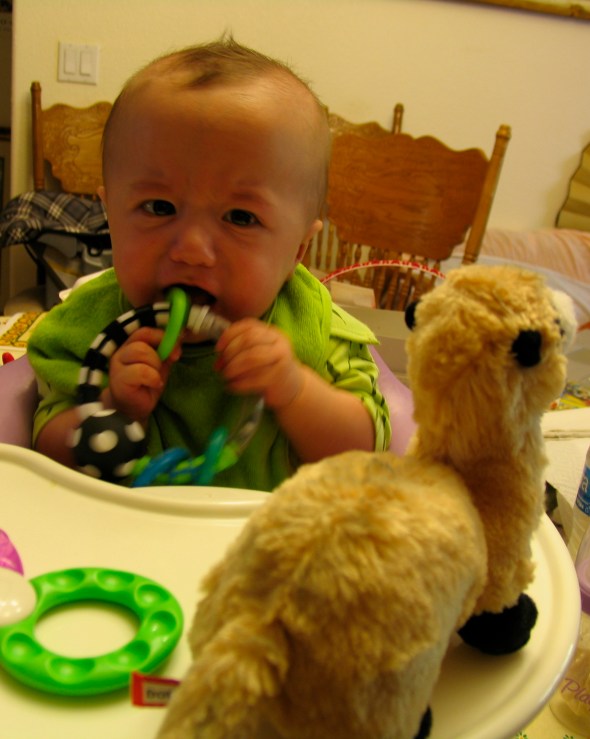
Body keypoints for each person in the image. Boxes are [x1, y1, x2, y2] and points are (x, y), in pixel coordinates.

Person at [27, 37, 391, 491]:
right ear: (110, 217)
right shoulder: (85, 328)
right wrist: (114, 410)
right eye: (159, 207)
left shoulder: (317, 329)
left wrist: (295, 391)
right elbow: (44, 455)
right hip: (121, 531)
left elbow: (365, 456)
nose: (192, 250)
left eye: (241, 217)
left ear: (297, 251)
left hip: (275, 532)